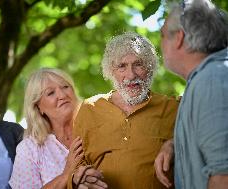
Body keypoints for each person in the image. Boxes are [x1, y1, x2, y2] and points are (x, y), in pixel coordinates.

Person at [68, 32, 179, 189]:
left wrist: (173, 144)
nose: (131, 75)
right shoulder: (89, 109)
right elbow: (77, 164)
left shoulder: (173, 107)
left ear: (150, 67)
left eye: (138, 64)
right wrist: (81, 177)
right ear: (111, 71)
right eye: (122, 66)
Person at [155, 0, 228, 188]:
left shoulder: (211, 80)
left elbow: (224, 175)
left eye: (162, 35)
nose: (160, 44)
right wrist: (174, 145)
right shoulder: (206, 78)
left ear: (179, 37)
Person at [9, 68, 84, 189]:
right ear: (38, 107)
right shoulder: (30, 149)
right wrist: (67, 174)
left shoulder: (96, 127)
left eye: (65, 87)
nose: (62, 95)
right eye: (51, 93)